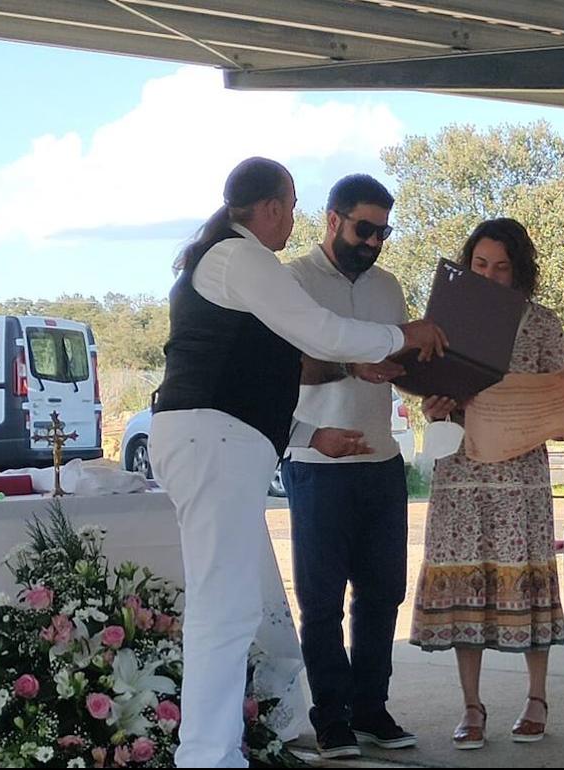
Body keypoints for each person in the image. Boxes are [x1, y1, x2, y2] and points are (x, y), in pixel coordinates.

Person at [148, 157, 447, 768]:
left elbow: (252, 382)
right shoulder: (241, 257)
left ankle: (212, 750)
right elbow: (321, 333)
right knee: (223, 607)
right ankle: (207, 756)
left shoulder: (230, 259)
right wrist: (401, 336)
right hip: (212, 441)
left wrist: (309, 432)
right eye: (292, 204)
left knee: (228, 606)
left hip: (220, 439)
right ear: (274, 206)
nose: (293, 218)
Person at [410, 218, 564, 749]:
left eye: (501, 267)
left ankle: (536, 697)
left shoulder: (542, 324)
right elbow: (427, 390)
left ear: (520, 271)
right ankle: (471, 706)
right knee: (468, 580)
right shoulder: (443, 322)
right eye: (480, 265)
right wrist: (433, 404)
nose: (489, 275)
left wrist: (563, 415)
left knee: (524, 577)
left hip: (520, 472)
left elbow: (562, 396)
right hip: (461, 467)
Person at [281, 175, 415, 758]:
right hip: (316, 461)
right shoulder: (290, 281)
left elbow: (400, 363)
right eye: (365, 228)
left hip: (383, 460)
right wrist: (350, 368)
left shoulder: (389, 287)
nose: (375, 242)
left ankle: (370, 708)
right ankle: (330, 715)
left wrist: (431, 384)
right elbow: (281, 369)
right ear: (332, 219)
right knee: (321, 599)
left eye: (384, 231)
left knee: (383, 593)